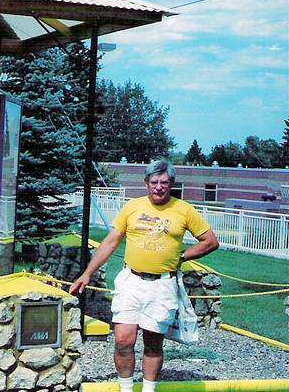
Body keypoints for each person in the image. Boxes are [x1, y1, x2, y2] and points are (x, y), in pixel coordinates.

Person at [69, 159, 219, 392]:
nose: (159, 187)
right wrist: (87, 273)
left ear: (172, 184)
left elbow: (210, 242)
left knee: (153, 343)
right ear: (147, 183)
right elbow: (110, 243)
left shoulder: (184, 209)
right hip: (131, 282)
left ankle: (149, 390)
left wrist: (181, 257)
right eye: (154, 182)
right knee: (123, 341)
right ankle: (127, 389)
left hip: (162, 285)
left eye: (164, 182)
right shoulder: (132, 207)